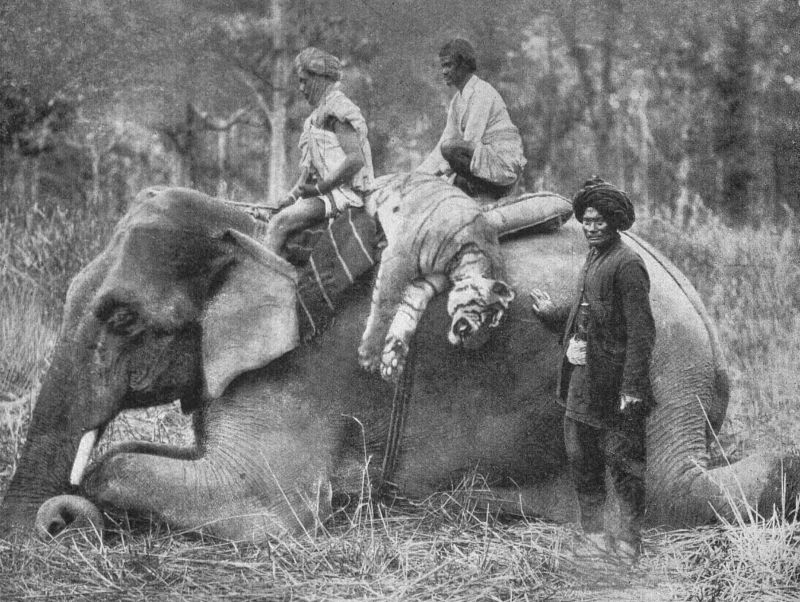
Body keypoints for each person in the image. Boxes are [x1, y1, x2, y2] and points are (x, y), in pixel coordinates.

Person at [530, 177, 655, 563]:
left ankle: (629, 543)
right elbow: (589, 312)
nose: (590, 227)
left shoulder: (628, 263)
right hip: (583, 381)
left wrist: (632, 388)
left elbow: (642, 331)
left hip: (615, 384)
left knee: (623, 463)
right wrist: (554, 315)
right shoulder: (594, 257)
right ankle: (596, 536)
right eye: (586, 220)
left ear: (615, 222)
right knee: (582, 458)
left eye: (599, 221)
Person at [264, 47, 374, 254]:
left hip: (347, 195)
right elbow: (308, 175)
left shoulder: (338, 109)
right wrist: (290, 197)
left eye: (304, 81)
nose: (301, 87)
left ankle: (263, 282)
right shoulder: (313, 121)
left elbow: (355, 160)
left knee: (279, 224)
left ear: (320, 79)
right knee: (275, 216)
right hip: (327, 194)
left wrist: (319, 189)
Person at [416, 38, 526, 200]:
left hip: (504, 168)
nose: (444, 72)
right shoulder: (456, 102)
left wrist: (440, 174)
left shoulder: (482, 92)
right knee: (448, 165)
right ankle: (479, 201)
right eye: (443, 66)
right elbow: (441, 145)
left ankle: (485, 196)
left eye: (448, 65)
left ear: (464, 65)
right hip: (483, 165)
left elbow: (467, 142)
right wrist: (416, 177)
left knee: (451, 150)